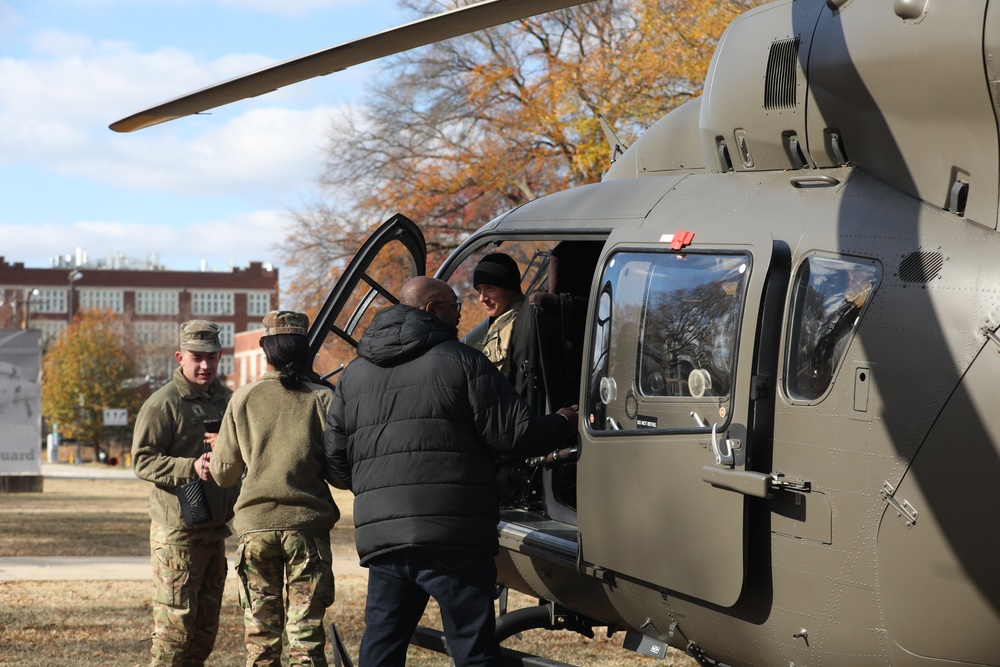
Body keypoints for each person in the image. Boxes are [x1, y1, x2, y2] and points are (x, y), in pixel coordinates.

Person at [325, 276, 578, 667]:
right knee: (473, 649)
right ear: (431, 310)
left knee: (382, 645)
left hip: (385, 538)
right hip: (453, 538)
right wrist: (562, 420)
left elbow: (338, 465)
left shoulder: (354, 375)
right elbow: (516, 436)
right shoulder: (463, 361)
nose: (460, 317)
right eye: (454, 308)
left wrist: (381, 490)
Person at [209, 310, 339, 667]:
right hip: (306, 529)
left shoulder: (243, 398)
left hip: (256, 530)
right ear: (304, 349)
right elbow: (342, 473)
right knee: (306, 641)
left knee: (261, 643)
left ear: (266, 350)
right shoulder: (324, 398)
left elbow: (224, 475)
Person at [132, 319, 239, 667]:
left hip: (215, 531)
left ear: (220, 356)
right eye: (196, 357)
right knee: (175, 633)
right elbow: (142, 461)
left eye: (211, 357)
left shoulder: (229, 401)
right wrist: (188, 468)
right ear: (180, 356)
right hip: (177, 533)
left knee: (204, 632)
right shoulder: (162, 404)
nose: (205, 365)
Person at [472, 253, 524, 373]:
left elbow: (489, 384)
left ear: (510, 289)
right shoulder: (516, 313)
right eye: (479, 289)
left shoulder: (507, 326)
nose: (482, 298)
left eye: (490, 288)